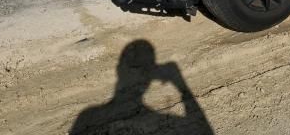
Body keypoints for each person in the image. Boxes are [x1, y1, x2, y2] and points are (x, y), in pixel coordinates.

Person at [70, 40, 213, 135]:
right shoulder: (88, 115)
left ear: (119, 69)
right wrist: (179, 81)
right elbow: (205, 130)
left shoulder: (88, 115)